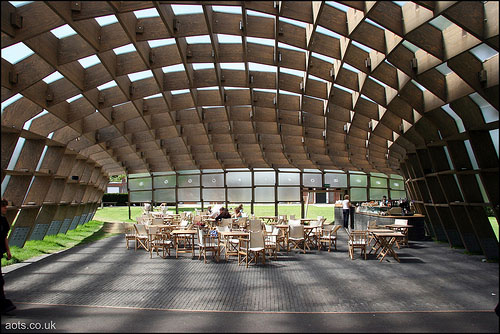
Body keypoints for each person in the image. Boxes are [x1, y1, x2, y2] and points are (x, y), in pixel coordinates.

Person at [1, 199, 16, 315]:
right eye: (4, 207)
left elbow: (4, 236)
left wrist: (8, 250)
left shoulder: (3, 221)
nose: (6, 209)